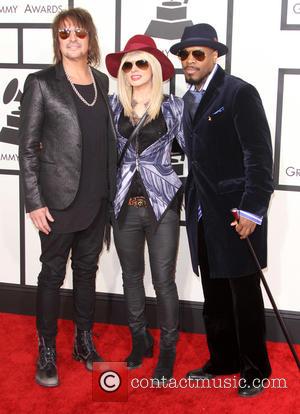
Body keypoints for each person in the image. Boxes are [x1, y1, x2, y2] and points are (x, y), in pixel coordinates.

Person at [170, 24, 274, 397]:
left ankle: (255, 369)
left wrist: (252, 210)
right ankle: (224, 359)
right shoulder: (185, 101)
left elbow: (259, 158)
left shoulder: (239, 93)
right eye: (184, 54)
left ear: (215, 55)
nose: (190, 60)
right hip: (200, 211)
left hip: (236, 213)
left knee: (242, 293)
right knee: (213, 292)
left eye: (198, 53)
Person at [18, 8, 117, 387]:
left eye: (79, 32)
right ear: (56, 41)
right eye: (64, 34)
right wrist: (34, 201)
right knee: (52, 275)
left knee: (87, 272)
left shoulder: (103, 82)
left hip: (96, 198)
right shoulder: (41, 83)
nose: (72, 39)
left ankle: (84, 341)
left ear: (90, 38)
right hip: (57, 201)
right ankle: (46, 351)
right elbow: (27, 149)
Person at [105, 35, 184, 383]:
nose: (134, 70)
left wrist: (180, 191)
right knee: (131, 277)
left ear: (153, 67)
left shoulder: (174, 108)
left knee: (163, 281)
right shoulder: (111, 106)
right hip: (124, 206)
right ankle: (140, 340)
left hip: (162, 207)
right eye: (128, 64)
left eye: (141, 63)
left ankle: (168, 349)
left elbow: (191, 154)